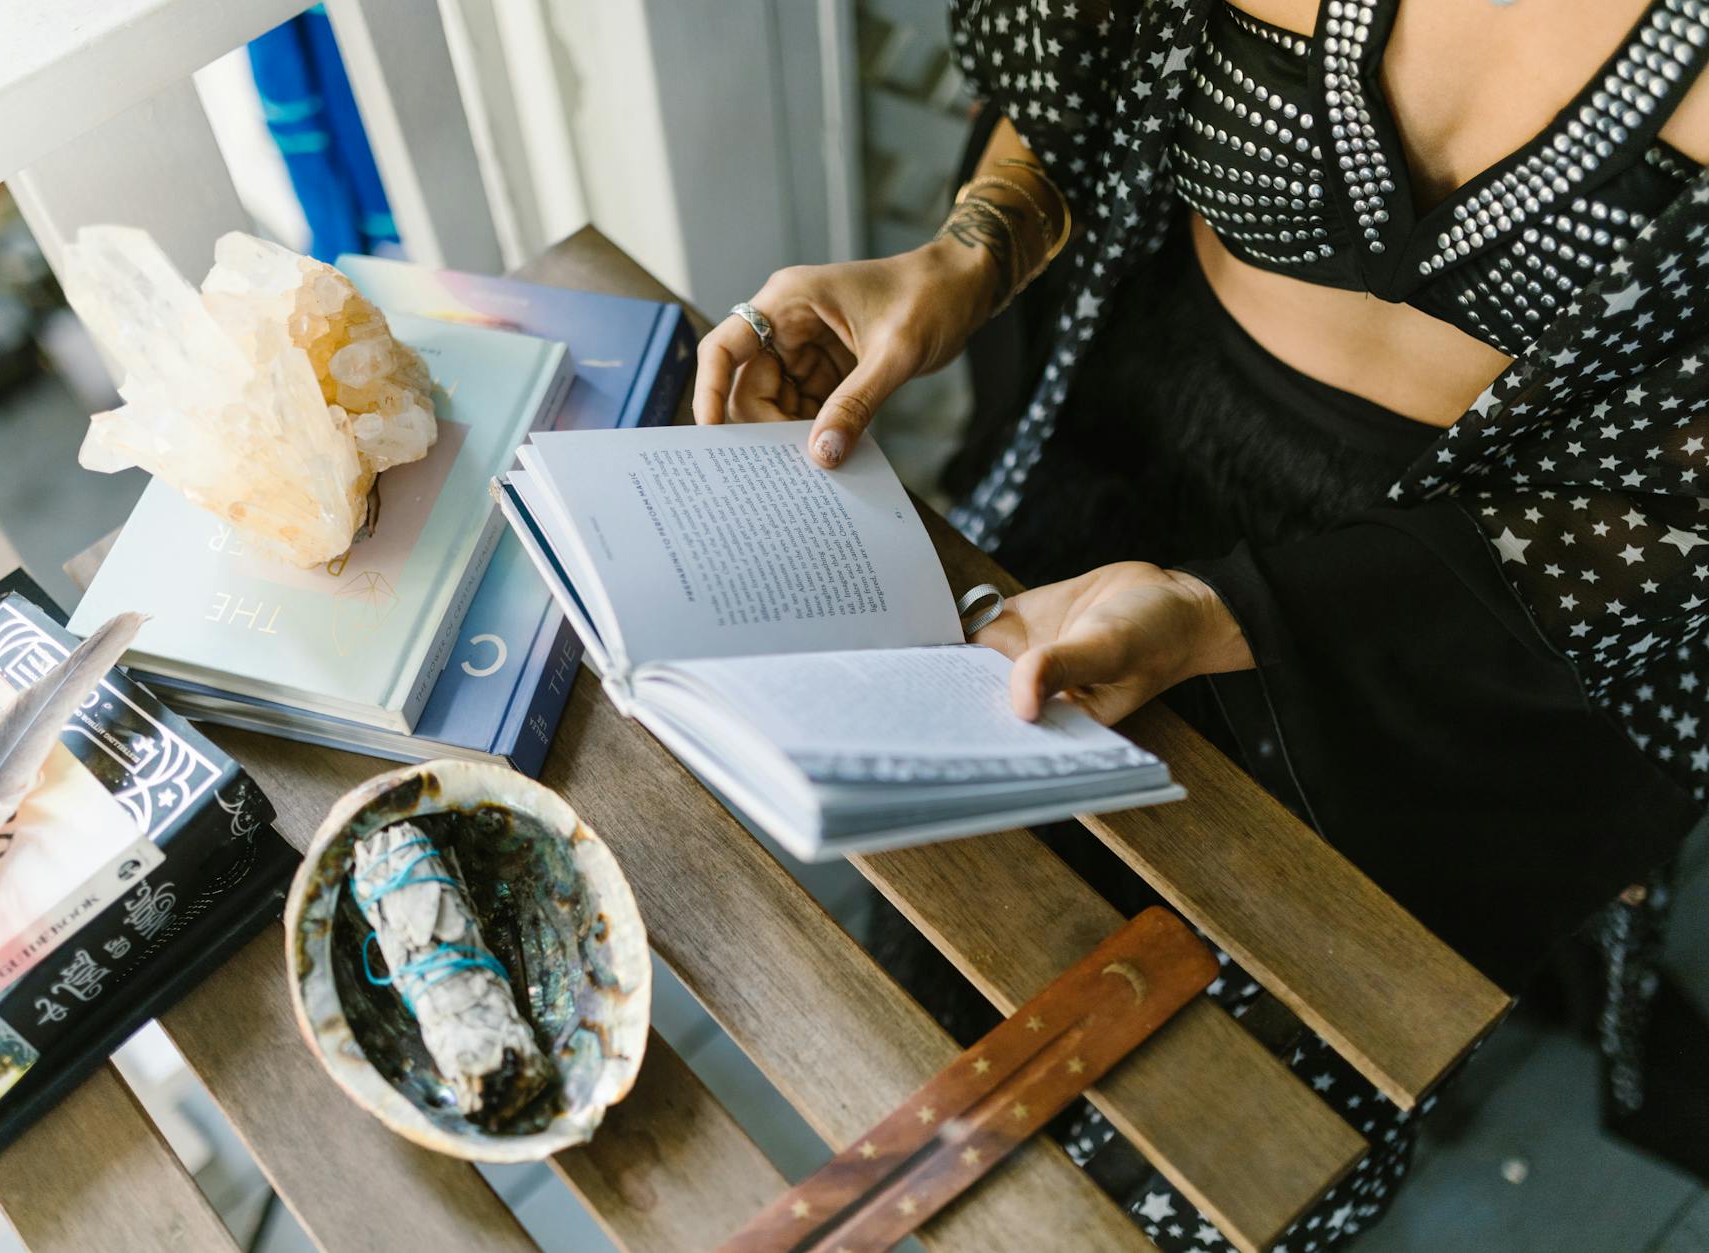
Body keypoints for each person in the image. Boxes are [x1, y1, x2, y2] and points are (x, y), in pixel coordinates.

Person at [693, 0, 1709, 1246]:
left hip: (1482, 612)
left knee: (1235, 1125)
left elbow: (1677, 512)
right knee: (956, 927)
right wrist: (968, 255)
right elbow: (1078, 107)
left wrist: (1231, 613)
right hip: (1139, 448)